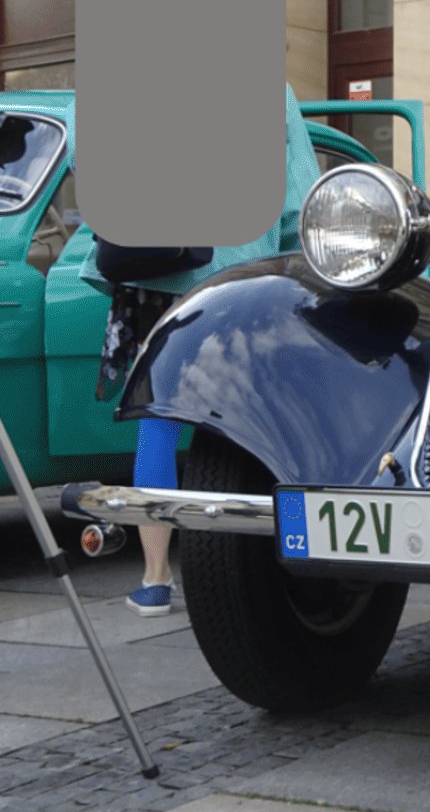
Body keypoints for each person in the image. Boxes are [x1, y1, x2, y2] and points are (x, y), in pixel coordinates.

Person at [84, 83, 321, 616]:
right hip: (245, 282)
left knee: (158, 423)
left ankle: (155, 578)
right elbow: (299, 202)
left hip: (162, 280)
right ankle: (276, 560)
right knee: (266, 420)